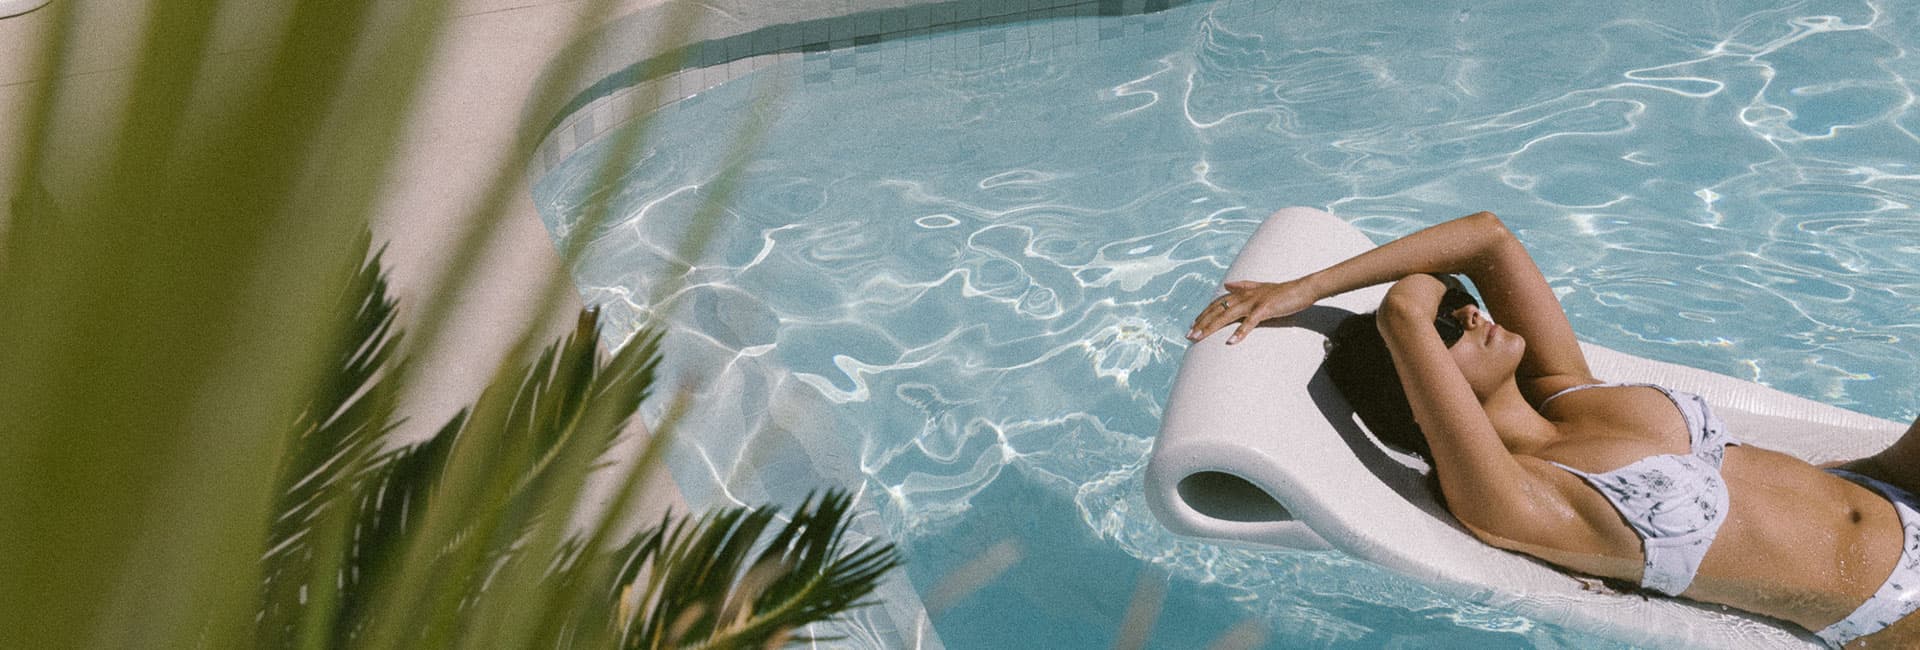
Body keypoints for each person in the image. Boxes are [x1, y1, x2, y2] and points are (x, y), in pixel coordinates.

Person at [1184, 210, 1920, 648]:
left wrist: (1310, 285)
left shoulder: (1567, 394)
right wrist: (1404, 310)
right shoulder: (1515, 498)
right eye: (1451, 326)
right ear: (1422, 385)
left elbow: (1486, 238)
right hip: (1891, 608)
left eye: (1460, 302)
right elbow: (1403, 312)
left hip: (1890, 484)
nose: (1470, 312)